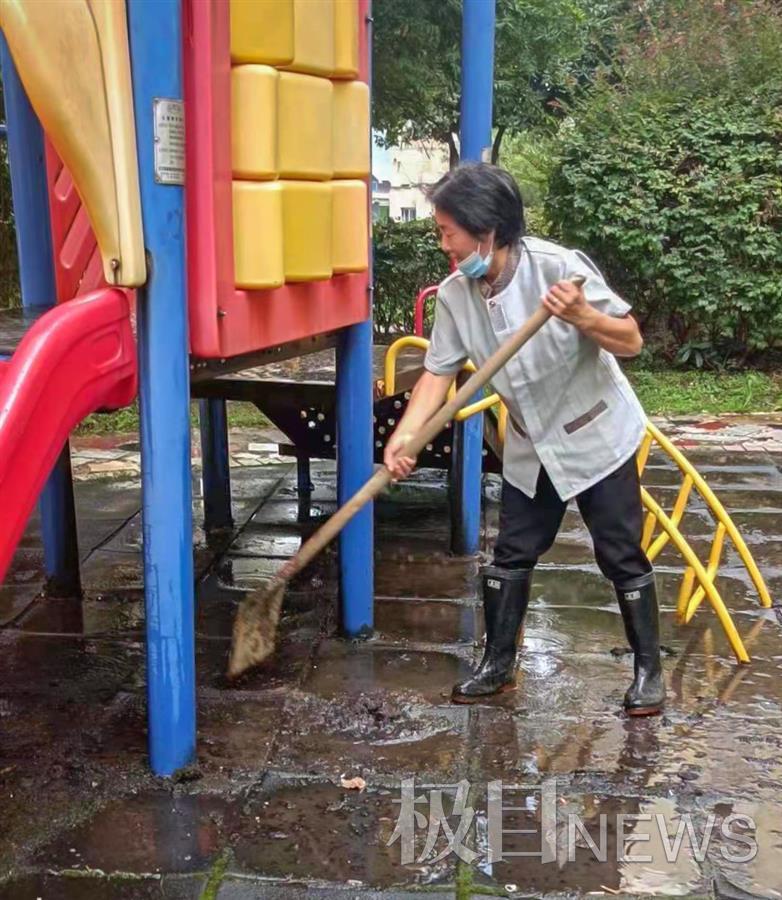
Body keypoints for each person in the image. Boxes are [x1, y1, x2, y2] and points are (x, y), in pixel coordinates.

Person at [383, 163, 664, 716]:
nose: (443, 244)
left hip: (595, 435)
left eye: (447, 232)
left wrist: (583, 315)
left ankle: (649, 671)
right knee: (512, 551)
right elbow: (438, 372)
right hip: (531, 443)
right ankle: (498, 665)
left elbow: (630, 341)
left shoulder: (558, 269)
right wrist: (406, 436)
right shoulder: (456, 294)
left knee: (619, 551)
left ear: (486, 231)